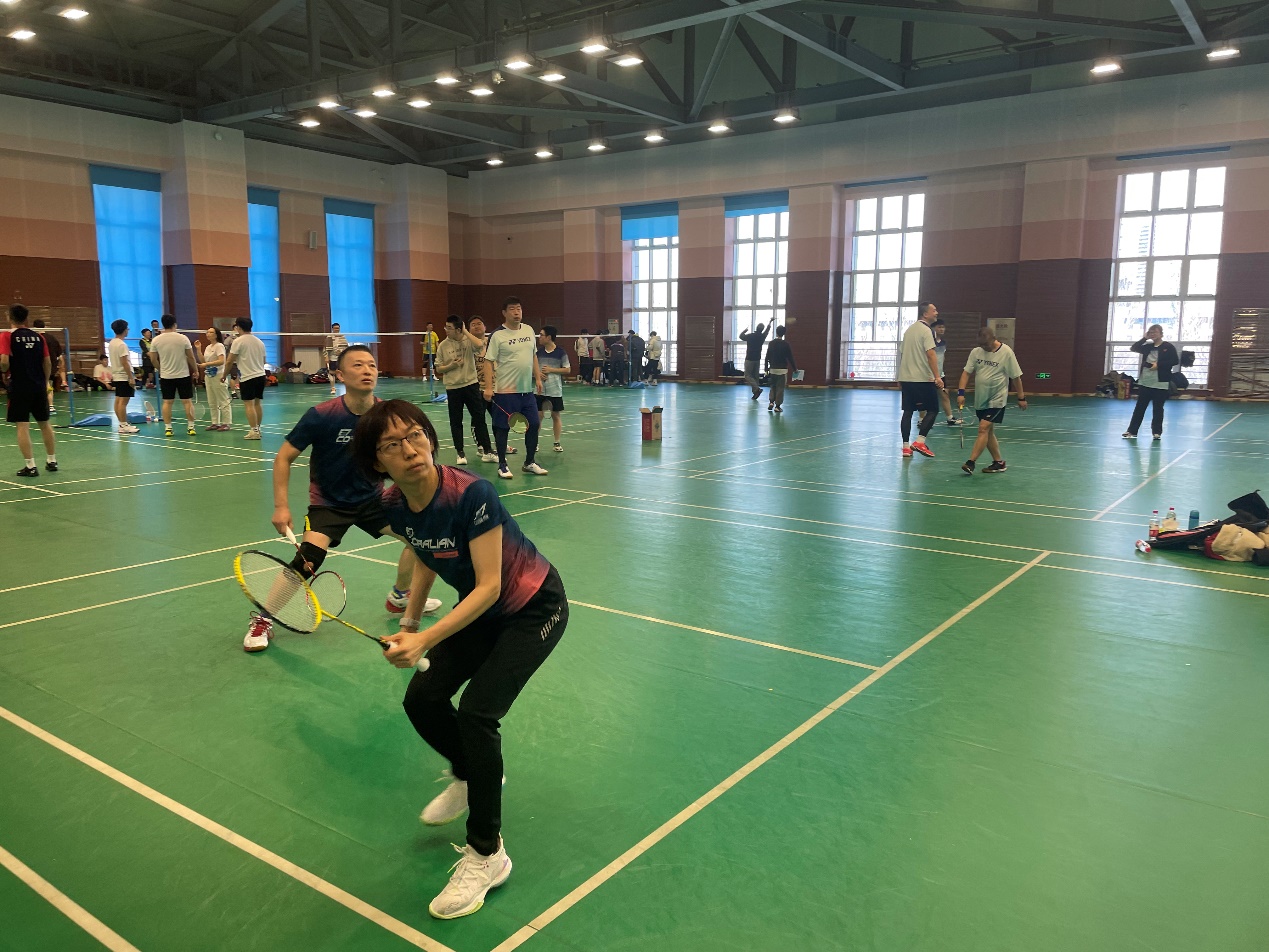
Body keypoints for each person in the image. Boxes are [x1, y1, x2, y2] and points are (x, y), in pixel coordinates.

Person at [352, 399, 568, 920]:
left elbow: (490, 586)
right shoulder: (395, 503)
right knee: (423, 698)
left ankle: (487, 855)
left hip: (534, 608)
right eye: (393, 444)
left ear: (430, 438)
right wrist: (409, 624)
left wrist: (426, 639)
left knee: (477, 713)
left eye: (415, 435)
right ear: (378, 461)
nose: (410, 450)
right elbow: (427, 554)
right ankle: (471, 775)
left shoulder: (472, 493)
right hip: (485, 613)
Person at [243, 346, 442, 652]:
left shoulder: (384, 416)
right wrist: (281, 506)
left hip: (374, 500)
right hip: (329, 503)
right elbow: (283, 458)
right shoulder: (322, 415)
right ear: (340, 375)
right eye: (358, 365)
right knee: (308, 559)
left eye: (372, 365)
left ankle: (400, 596)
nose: (367, 370)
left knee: (422, 539)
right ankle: (264, 619)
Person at [483, 297, 547, 480]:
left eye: (519, 308)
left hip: (526, 391)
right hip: (505, 391)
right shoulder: (497, 335)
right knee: (502, 428)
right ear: (504, 313)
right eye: (512, 309)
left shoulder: (529, 330)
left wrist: (537, 378)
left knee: (533, 424)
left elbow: (533, 356)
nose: (517, 312)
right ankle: (502, 465)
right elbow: (488, 362)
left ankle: (529, 462)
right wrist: (488, 387)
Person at [957, 325, 1027, 475]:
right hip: (981, 398)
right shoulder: (976, 352)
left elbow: (1016, 377)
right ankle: (998, 462)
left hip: (997, 398)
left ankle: (971, 462)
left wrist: (1021, 397)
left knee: (983, 428)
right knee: (988, 432)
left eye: (986, 344)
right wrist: (961, 393)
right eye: (981, 344)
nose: (984, 347)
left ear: (994, 338)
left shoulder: (1006, 352)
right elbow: (966, 373)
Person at [0, 305, 58, 476]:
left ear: (9, 317)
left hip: (19, 386)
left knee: (22, 426)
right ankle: (52, 460)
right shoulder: (39, 337)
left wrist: (4, 372)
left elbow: (4, 362)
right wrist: (44, 381)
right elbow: (47, 362)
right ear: (26, 318)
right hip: (38, 386)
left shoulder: (6, 336)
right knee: (44, 423)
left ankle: (30, 466)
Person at [435, 314, 497, 465]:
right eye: (446, 327)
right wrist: (452, 366)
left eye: (449, 328)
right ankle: (460, 453)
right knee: (456, 421)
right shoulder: (443, 345)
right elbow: (438, 368)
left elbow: (480, 345)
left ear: (458, 329)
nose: (446, 330)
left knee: (479, 419)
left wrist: (465, 331)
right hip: (453, 388)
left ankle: (487, 451)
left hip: (471, 385)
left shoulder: (468, 341)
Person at [898, 302, 943, 459]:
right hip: (922, 379)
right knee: (933, 409)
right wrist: (937, 376)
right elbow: (931, 354)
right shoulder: (926, 331)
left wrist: (900, 376)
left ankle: (906, 447)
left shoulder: (909, 330)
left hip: (906, 378)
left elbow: (902, 354)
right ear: (925, 314)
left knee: (908, 411)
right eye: (934, 310)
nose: (936, 313)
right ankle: (920, 441)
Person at [1123, 324, 1178, 442]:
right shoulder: (1147, 346)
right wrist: (1144, 338)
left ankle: (1156, 432)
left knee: (1158, 408)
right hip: (1145, 381)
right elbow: (1134, 348)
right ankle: (1132, 431)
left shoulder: (1168, 347)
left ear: (1161, 334)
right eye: (1151, 332)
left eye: (1155, 332)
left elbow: (1175, 361)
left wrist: (1159, 365)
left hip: (1160, 383)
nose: (1153, 334)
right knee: (1140, 407)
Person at [150, 314, 199, 437]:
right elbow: (191, 356)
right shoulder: (183, 338)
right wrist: (196, 370)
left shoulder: (156, 340)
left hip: (166, 376)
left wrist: (161, 369)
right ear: (175, 324)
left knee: (167, 402)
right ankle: (191, 427)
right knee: (187, 402)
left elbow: (153, 359)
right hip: (183, 375)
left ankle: (168, 429)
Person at [225, 317, 267, 440]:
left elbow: (229, 361)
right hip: (261, 376)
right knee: (257, 403)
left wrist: (224, 375)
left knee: (249, 404)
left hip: (248, 377)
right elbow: (264, 361)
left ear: (238, 327)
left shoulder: (238, 341)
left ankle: (254, 431)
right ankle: (257, 429)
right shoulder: (259, 342)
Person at [536, 326, 569, 453]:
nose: (539, 337)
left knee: (556, 415)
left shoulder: (561, 352)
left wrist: (551, 370)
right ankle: (535, 442)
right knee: (538, 416)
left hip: (554, 390)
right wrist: (538, 374)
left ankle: (557, 442)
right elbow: (532, 368)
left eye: (541, 335)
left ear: (549, 337)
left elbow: (567, 369)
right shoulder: (538, 352)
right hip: (539, 390)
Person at [107, 319, 139, 434]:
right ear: (124, 330)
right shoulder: (121, 345)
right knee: (123, 402)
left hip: (117, 375)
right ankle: (124, 425)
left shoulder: (112, 343)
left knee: (118, 400)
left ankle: (122, 424)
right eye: (127, 328)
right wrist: (131, 377)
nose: (128, 330)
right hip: (124, 376)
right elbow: (125, 362)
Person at [932, 319, 963, 427]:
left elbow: (943, 357)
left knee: (945, 395)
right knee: (927, 398)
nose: (942, 329)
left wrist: (941, 371)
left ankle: (950, 418)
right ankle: (921, 420)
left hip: (940, 375)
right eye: (939, 327)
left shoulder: (943, 343)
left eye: (943, 327)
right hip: (929, 375)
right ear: (933, 328)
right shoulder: (929, 342)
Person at [199, 327, 231, 431]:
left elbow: (221, 361)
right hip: (209, 376)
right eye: (207, 332)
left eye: (211, 332)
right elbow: (203, 361)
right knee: (211, 400)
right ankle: (215, 423)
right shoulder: (208, 347)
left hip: (219, 375)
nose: (208, 334)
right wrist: (198, 349)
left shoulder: (219, 346)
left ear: (216, 335)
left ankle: (226, 423)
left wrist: (207, 364)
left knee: (223, 400)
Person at [764, 326, 797, 412]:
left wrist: (766, 368)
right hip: (782, 370)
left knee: (773, 386)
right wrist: (795, 369)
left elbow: (767, 356)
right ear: (784, 333)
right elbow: (790, 357)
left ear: (776, 332)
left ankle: (771, 402)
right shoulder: (786, 344)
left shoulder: (771, 343)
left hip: (773, 369)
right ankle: (777, 406)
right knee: (780, 388)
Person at [739, 323, 769, 400]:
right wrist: (770, 323)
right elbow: (767, 331)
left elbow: (741, 336)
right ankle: (755, 392)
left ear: (756, 328)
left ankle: (757, 389)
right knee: (755, 377)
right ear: (762, 329)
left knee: (747, 375)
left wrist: (744, 331)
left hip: (749, 358)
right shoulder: (762, 337)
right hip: (757, 358)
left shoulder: (750, 336)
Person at [326, 322, 348, 395]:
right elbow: (326, 348)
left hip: (341, 358)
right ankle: (333, 388)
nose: (337, 329)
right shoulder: (329, 337)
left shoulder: (342, 337)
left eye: (338, 328)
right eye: (335, 328)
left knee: (345, 372)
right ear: (332, 329)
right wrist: (326, 357)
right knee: (332, 373)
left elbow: (346, 347)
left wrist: (342, 352)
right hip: (333, 358)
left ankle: (348, 388)